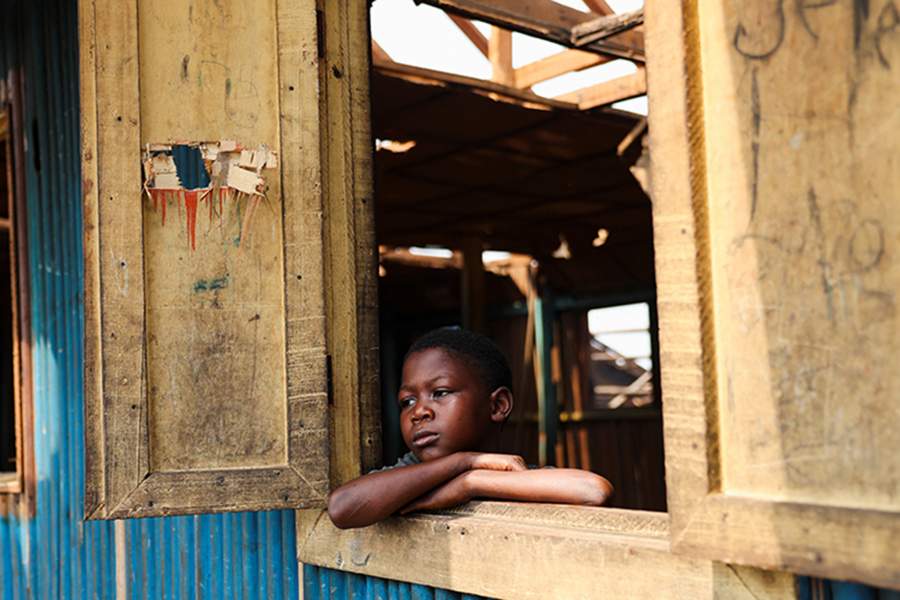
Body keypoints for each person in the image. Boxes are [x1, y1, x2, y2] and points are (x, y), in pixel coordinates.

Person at [327, 328, 614, 529]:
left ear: (497, 405)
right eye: (407, 401)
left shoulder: (517, 475)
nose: (419, 412)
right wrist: (464, 462)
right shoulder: (404, 477)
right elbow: (342, 508)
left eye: (440, 393)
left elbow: (592, 490)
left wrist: (470, 482)